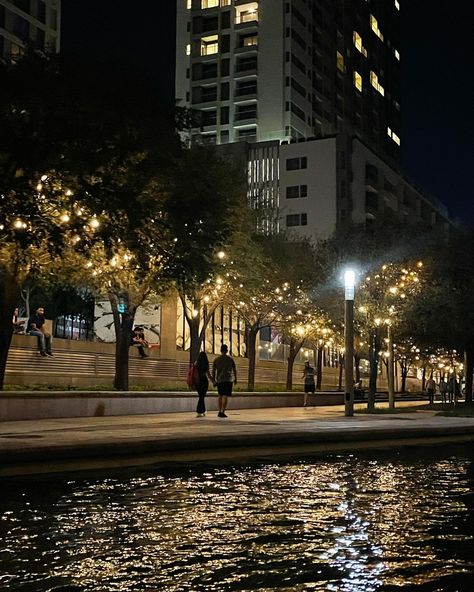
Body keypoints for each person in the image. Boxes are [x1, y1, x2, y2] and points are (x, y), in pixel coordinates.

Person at [212, 344, 237, 418]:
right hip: (228, 380)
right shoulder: (230, 359)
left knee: (220, 395)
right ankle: (223, 411)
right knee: (225, 396)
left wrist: (214, 380)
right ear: (227, 350)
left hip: (219, 380)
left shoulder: (216, 359)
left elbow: (213, 371)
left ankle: (219, 410)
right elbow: (234, 369)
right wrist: (235, 379)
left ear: (220, 350)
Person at [194, 351, 213, 417]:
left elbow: (194, 372)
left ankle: (203, 410)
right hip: (204, 381)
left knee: (201, 396)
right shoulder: (206, 363)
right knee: (202, 397)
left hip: (198, 381)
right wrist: (213, 381)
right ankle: (199, 411)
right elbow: (209, 374)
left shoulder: (196, 363)